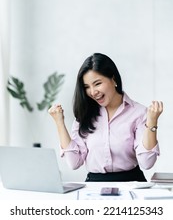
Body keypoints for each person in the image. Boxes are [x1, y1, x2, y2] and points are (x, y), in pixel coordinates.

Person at [48, 53, 163, 182]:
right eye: (87, 87)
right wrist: (59, 123)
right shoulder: (84, 114)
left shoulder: (139, 113)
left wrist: (152, 121)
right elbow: (73, 163)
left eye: (97, 84)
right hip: (94, 187)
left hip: (131, 184)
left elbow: (147, 163)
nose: (92, 92)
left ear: (113, 79)